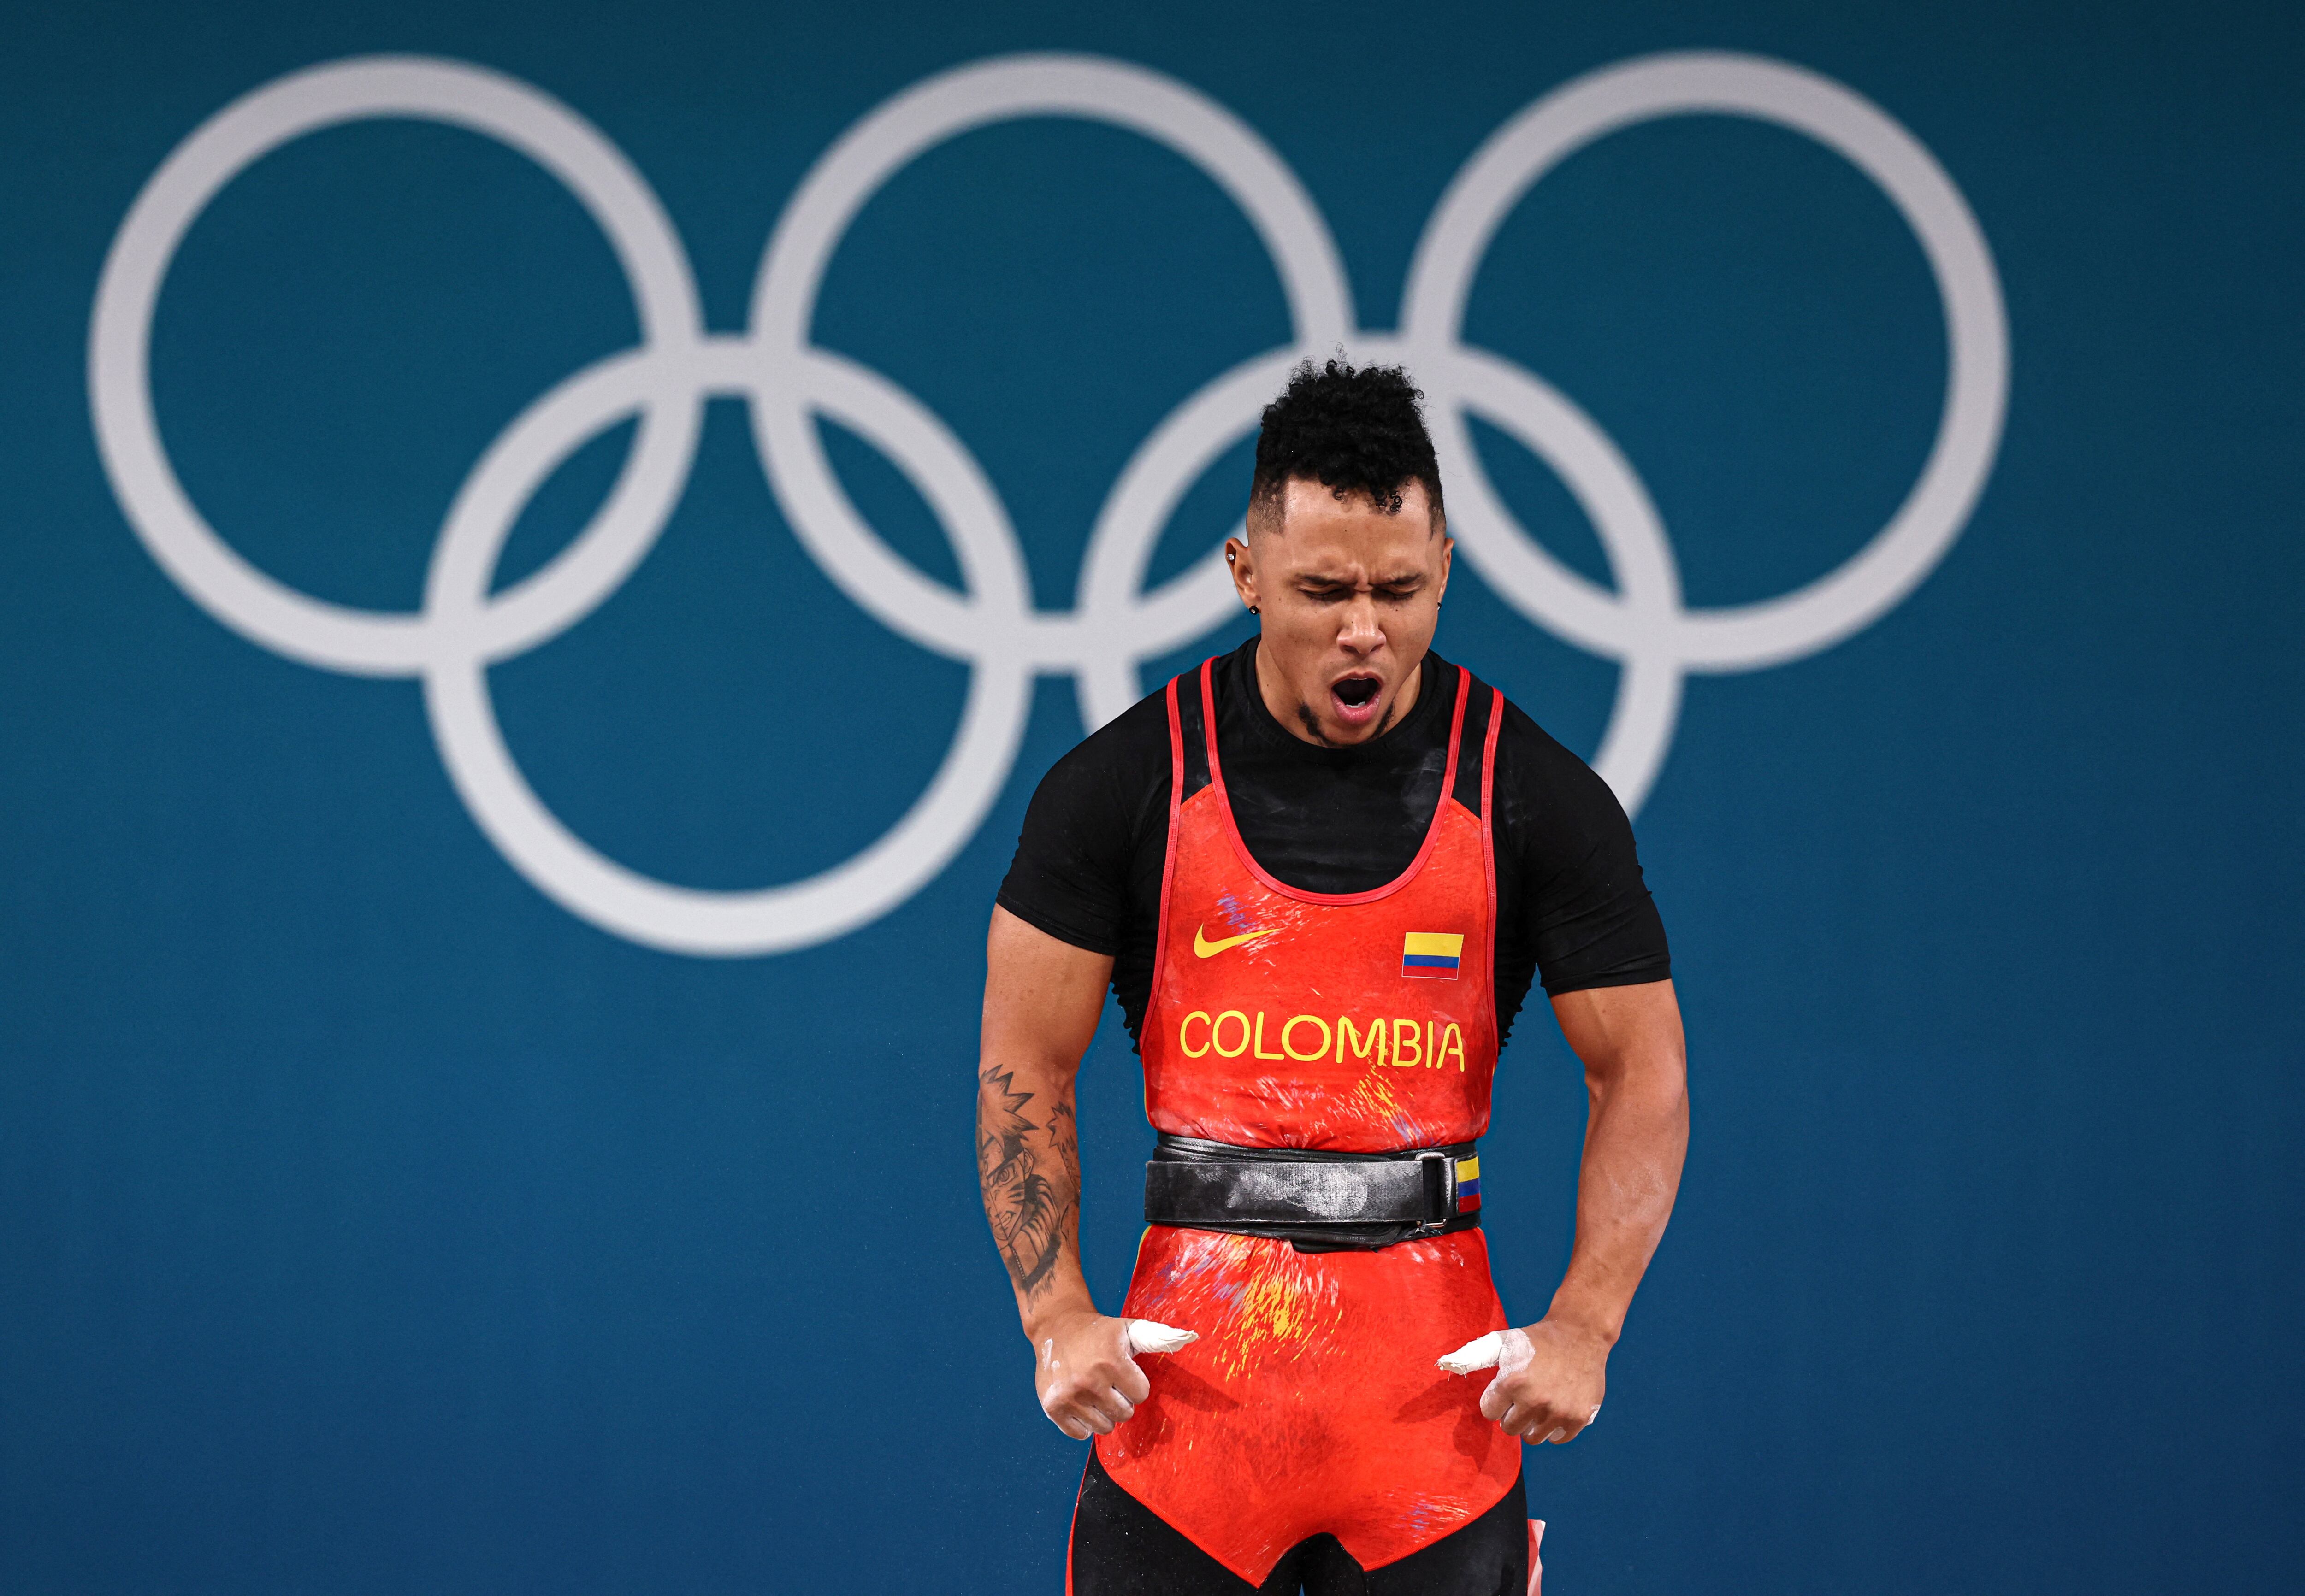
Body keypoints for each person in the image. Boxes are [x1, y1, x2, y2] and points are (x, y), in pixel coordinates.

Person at [977, 360, 1688, 1595]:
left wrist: (1586, 1325)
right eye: (1322, 590)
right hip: (1186, 1433)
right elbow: (1020, 1062)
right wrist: (1054, 1313)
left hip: (1429, 1438)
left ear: (1448, 570)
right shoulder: (1117, 789)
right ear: (1245, 574)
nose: (1365, 628)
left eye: (1400, 590)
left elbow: (1643, 1069)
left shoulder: (1536, 797)